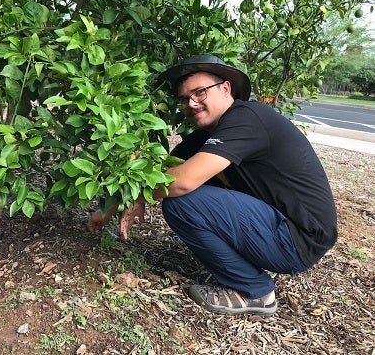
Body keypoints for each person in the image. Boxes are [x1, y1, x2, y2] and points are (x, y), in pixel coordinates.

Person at [87, 54, 337, 316]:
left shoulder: (247, 118)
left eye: (200, 92)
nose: (191, 103)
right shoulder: (209, 133)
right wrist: (110, 207)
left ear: (226, 88)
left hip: (298, 239)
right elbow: (160, 172)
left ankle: (255, 292)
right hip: (283, 229)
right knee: (182, 191)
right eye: (184, 98)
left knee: (182, 201)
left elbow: (182, 182)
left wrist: (140, 195)